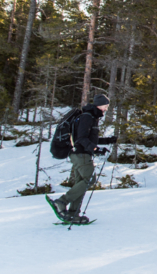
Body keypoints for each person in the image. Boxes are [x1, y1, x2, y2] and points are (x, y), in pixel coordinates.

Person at [47, 94, 116, 223]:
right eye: (105, 106)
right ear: (99, 105)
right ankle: (61, 202)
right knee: (89, 180)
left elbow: (88, 138)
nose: (106, 109)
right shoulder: (87, 117)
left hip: (79, 154)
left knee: (82, 183)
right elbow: (81, 139)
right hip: (81, 154)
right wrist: (95, 149)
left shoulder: (90, 117)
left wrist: (107, 141)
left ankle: (73, 214)